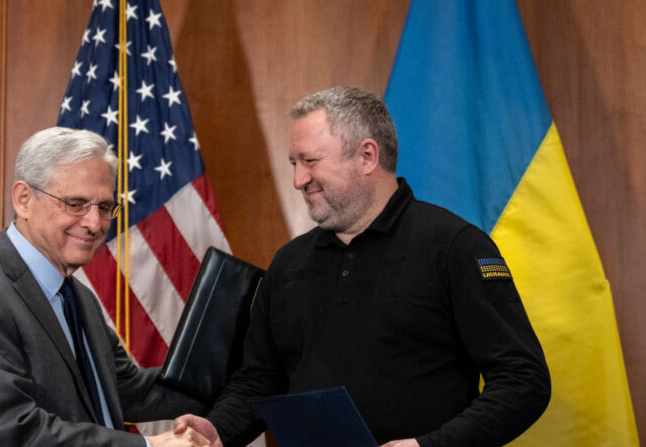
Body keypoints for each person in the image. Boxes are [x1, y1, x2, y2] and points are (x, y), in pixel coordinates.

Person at [174, 87, 550, 447]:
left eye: (310, 161)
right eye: (293, 163)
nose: (298, 180)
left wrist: (431, 445)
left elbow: (523, 380)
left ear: (367, 156)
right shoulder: (288, 263)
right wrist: (218, 429)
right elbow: (259, 380)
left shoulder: (454, 245)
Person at [0, 127, 210, 447]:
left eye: (104, 207)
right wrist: (149, 446)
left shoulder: (77, 296)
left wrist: (240, 367)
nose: (95, 223)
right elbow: (10, 432)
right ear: (24, 199)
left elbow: (128, 390)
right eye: (75, 204)